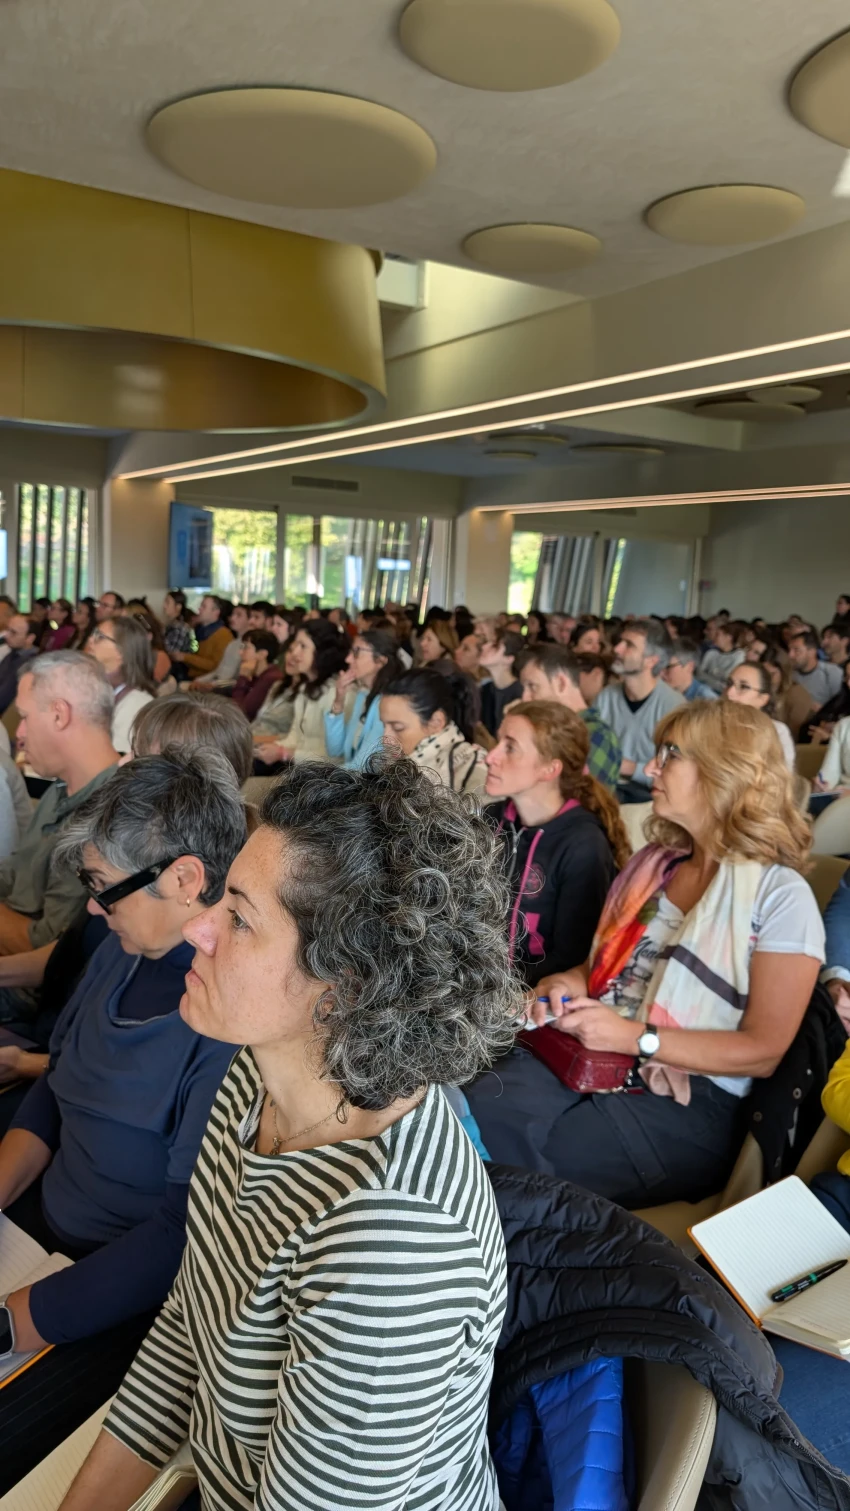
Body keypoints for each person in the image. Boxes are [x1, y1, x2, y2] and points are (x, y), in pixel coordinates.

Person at [61, 758, 522, 1511]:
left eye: (239, 918)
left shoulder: (392, 1246)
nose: (199, 925)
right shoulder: (256, 1078)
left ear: (343, 988)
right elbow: (190, 1327)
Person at [0, 751, 247, 1489]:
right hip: (40, 1235)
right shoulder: (124, 949)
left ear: (186, 878)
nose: (93, 910)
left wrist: (13, 1321)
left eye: (103, 888)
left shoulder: (222, 1019)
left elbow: (180, 1233)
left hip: (115, 1289)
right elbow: (57, 1087)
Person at [466, 700, 823, 1209]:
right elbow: (605, 968)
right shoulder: (656, 866)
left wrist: (635, 1037)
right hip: (596, 1055)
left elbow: (763, 1051)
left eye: (670, 755)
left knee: (511, 1172)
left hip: (688, 1098)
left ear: (725, 770)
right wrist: (568, 982)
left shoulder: (781, 896)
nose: (651, 768)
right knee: (463, 1116)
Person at [0, 654, 118, 1026]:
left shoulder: (106, 816)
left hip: (25, 995)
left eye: (24, 717)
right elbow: (12, 875)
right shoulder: (61, 789)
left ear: (59, 714)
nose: (18, 733)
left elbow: (47, 947)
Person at [484, 702, 628, 985]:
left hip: (533, 997)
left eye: (510, 747)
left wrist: (495, 991)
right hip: (473, 988)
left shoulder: (583, 845)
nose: (490, 757)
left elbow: (572, 956)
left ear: (550, 769)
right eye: (497, 742)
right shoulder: (490, 820)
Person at [595, 619, 683, 802]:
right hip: (603, 789)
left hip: (647, 799)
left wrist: (628, 767)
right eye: (620, 642)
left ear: (651, 660)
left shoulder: (673, 706)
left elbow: (674, 772)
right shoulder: (606, 696)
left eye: (629, 645)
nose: (617, 649)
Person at [518, 643, 622, 793]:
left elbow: (586, 799)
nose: (525, 698)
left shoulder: (597, 735)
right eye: (524, 688)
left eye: (532, 686)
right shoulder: (550, 730)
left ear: (561, 684)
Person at [253, 620, 348, 768]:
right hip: (298, 767)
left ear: (322, 652)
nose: (295, 653)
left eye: (303, 646)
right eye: (296, 645)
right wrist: (272, 748)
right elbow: (294, 737)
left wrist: (283, 753)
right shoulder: (305, 688)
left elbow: (335, 759)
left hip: (319, 775)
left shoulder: (338, 693)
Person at [380, 669, 487, 793]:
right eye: (384, 726)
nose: (385, 739)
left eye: (398, 728)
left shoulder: (473, 769)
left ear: (436, 722)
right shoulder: (396, 766)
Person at [324, 627, 401, 770]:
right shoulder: (363, 695)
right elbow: (335, 750)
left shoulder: (387, 704)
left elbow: (363, 767)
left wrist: (321, 775)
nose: (348, 659)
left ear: (380, 660)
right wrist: (339, 700)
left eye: (356, 652)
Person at [86, 614, 156, 756]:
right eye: (93, 634)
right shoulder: (97, 688)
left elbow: (116, 762)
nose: (90, 640)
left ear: (122, 652)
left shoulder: (137, 703)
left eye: (100, 637)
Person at [725, 661, 795, 769]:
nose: (729, 693)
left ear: (763, 699)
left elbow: (782, 775)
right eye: (729, 684)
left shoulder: (777, 732)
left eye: (743, 687)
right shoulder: (709, 724)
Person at [760, 643, 816, 741]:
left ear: (784, 672)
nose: (767, 679)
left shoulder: (797, 695)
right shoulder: (757, 690)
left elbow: (793, 734)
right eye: (763, 674)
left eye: (772, 674)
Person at [171, 594, 231, 682]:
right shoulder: (199, 630)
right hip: (191, 676)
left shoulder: (223, 635)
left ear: (216, 612)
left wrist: (185, 657)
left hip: (205, 681)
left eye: (204, 606)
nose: (199, 609)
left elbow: (216, 666)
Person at [479, 629, 524, 737]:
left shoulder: (520, 694)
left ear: (509, 658)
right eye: (486, 643)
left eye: (494, 646)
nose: (484, 647)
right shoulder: (485, 689)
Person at [231, 628, 282, 722]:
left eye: (246, 647)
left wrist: (243, 678)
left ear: (262, 654)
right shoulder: (257, 674)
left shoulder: (270, 678)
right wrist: (214, 685)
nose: (240, 652)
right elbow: (230, 684)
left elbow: (242, 712)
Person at [788, 629, 843, 709]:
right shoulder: (790, 674)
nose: (790, 655)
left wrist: (823, 710)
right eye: (789, 650)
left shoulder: (832, 672)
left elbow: (842, 705)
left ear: (812, 651)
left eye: (796, 650)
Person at [0, 613, 38, 714]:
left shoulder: (28, 665)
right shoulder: (13, 653)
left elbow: (3, 698)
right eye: (7, 629)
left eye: (13, 632)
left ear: (30, 638)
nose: (7, 635)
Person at [662, 636, 718, 702]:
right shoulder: (662, 691)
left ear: (689, 667)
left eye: (668, 667)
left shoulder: (707, 701)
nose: (661, 673)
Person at [698, 619, 747, 694]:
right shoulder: (711, 653)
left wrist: (708, 676)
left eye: (718, 635)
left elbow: (729, 679)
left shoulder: (739, 655)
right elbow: (699, 674)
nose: (714, 637)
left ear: (729, 637)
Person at [161, 591, 194, 659]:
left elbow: (172, 653)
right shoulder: (172, 625)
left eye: (167, 602)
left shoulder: (179, 628)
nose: (164, 606)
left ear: (178, 607)